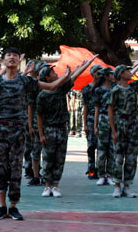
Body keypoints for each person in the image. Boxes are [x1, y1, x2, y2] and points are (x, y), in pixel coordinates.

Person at [0, 48, 87, 220]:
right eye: (8, 56)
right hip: (0, 130)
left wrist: (65, 76)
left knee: (16, 169)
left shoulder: (25, 81)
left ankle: (13, 206)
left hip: (18, 130)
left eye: (14, 55)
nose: (11, 58)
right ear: (4, 61)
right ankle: (1, 205)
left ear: (19, 60)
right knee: (1, 169)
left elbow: (50, 86)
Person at [37, 58, 96, 198]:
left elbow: (74, 76)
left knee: (59, 158)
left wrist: (86, 64)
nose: (55, 73)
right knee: (47, 158)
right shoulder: (42, 95)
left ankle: (55, 185)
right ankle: (47, 186)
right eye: (52, 72)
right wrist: (41, 134)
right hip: (49, 129)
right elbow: (39, 116)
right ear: (47, 77)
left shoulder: (60, 89)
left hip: (61, 128)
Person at [107, 58, 138, 198]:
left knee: (131, 157)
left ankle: (127, 184)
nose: (130, 73)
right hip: (120, 124)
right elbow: (110, 110)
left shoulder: (133, 87)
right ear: (121, 74)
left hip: (132, 126)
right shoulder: (115, 90)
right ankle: (117, 185)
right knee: (118, 157)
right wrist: (114, 130)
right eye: (128, 71)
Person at [93, 67, 116, 186]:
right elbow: (96, 109)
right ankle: (101, 174)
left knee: (112, 148)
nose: (113, 76)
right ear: (106, 76)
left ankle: (110, 174)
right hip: (103, 119)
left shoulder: (115, 89)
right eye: (111, 74)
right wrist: (95, 126)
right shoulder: (98, 91)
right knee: (101, 149)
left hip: (114, 119)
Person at [82, 64, 102, 179]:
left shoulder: (103, 87)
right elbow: (85, 107)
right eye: (98, 72)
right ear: (93, 74)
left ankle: (100, 169)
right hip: (90, 118)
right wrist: (84, 124)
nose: (100, 74)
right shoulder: (86, 89)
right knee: (91, 146)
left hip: (101, 119)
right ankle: (91, 170)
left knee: (101, 146)